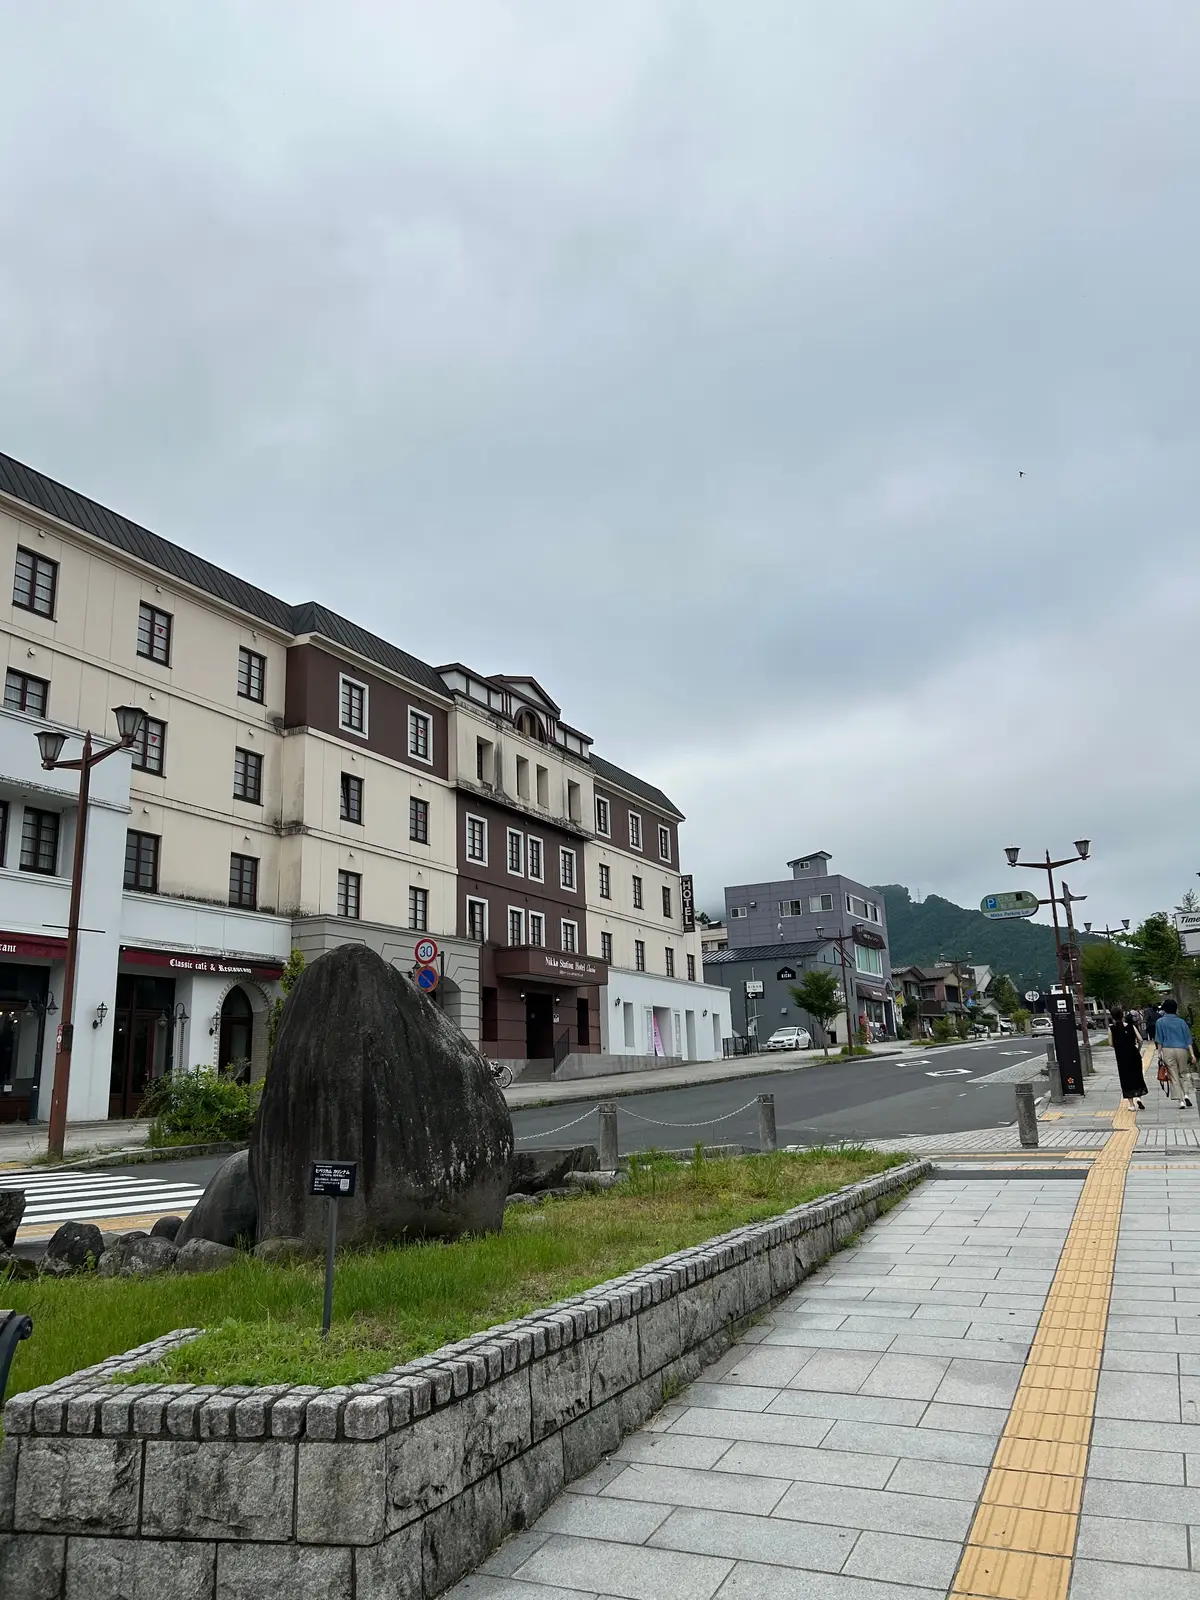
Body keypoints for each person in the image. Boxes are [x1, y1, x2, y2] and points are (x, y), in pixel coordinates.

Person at [1155, 998, 1196, 1109]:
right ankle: (1187, 1094)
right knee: (1183, 1073)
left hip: (1168, 1049)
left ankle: (1180, 1100)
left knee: (1173, 1075)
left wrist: (1159, 1053)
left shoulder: (1160, 1022)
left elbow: (1159, 1039)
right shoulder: (1182, 1022)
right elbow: (1188, 1039)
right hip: (1182, 1049)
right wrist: (1192, 1054)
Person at [1109, 1005, 1147, 1110]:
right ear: (1122, 1015)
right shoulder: (1131, 1026)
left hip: (1122, 1057)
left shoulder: (1112, 1028)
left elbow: (1110, 1043)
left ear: (1112, 1017)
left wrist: (1118, 1046)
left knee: (1126, 1078)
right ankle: (1139, 1097)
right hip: (1134, 1054)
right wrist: (1138, 1049)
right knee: (1137, 1075)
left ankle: (1131, 1104)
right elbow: (1140, 1039)